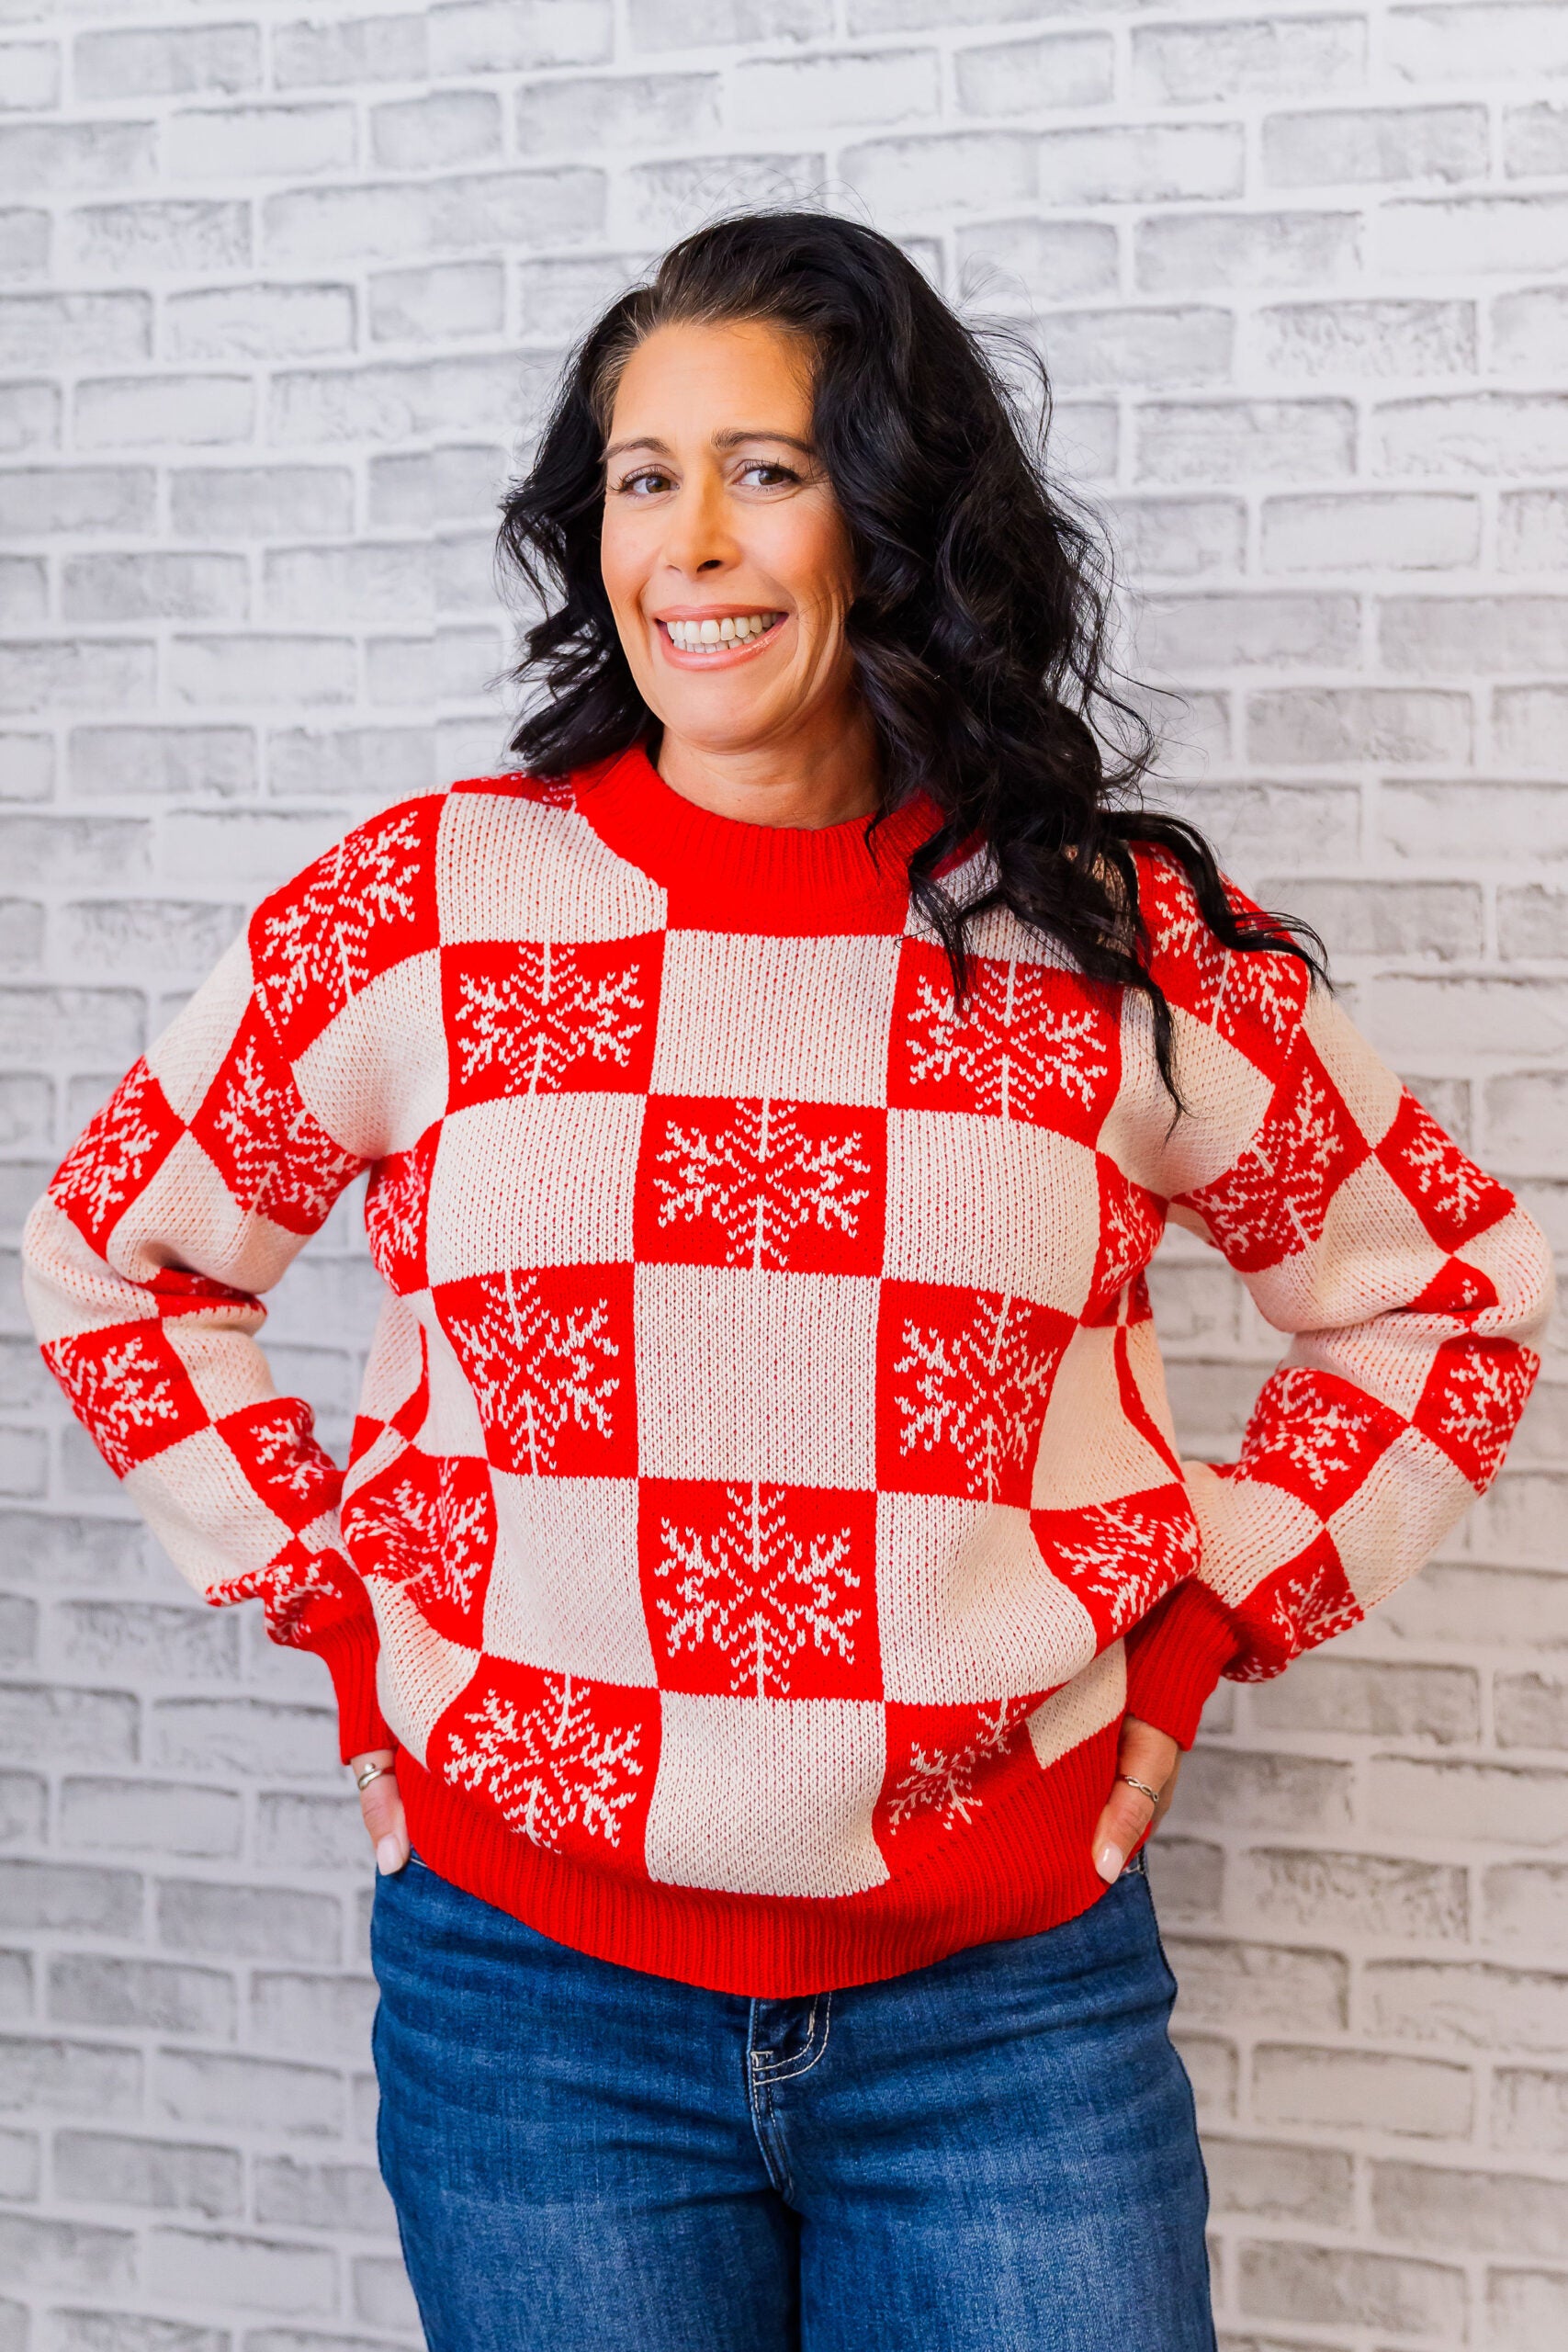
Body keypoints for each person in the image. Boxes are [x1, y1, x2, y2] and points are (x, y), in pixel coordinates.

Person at [22, 211, 1552, 2352]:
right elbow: (123, 1254)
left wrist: (1208, 1611)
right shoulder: (426, 911)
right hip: (530, 2009)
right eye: (643, 477)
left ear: (898, 515)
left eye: (768, 468)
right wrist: (339, 1603)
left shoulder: (1100, 938)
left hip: (1004, 2010)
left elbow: (1439, 1293)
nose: (691, 542)